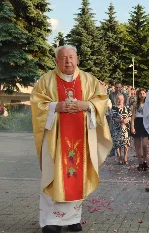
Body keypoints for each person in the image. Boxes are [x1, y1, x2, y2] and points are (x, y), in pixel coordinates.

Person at [30, 45, 112, 233]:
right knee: (54, 174)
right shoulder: (46, 80)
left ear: (77, 59)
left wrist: (86, 105)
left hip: (80, 138)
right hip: (55, 141)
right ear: (57, 61)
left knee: (76, 175)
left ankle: (74, 219)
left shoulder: (88, 80)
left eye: (71, 57)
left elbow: (102, 100)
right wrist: (55, 107)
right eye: (63, 57)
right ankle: (51, 221)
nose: (68, 61)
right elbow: (36, 103)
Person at [131, 89, 149, 171]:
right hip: (137, 122)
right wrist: (132, 126)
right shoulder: (135, 104)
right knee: (137, 145)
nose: (142, 95)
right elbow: (133, 116)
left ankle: (145, 160)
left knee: (145, 144)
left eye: (143, 93)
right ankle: (140, 162)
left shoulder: (148, 104)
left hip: (145, 123)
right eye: (140, 93)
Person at [111, 94, 132, 165]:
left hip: (125, 128)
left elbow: (130, 116)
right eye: (118, 99)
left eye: (121, 99)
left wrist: (126, 120)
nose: (119, 100)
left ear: (123, 100)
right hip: (117, 128)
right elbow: (113, 118)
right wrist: (120, 121)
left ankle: (125, 157)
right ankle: (119, 157)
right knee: (117, 143)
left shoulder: (127, 107)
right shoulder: (114, 108)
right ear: (116, 99)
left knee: (126, 143)